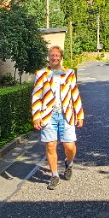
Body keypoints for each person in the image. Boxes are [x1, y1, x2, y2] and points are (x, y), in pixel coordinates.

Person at [31, 45, 85, 190]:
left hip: (66, 114)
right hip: (48, 115)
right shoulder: (41, 74)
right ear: (48, 57)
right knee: (50, 145)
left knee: (69, 146)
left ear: (61, 57)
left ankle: (69, 163)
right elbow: (36, 96)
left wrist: (80, 115)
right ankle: (54, 175)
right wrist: (36, 116)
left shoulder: (69, 73)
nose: (54, 58)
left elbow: (75, 94)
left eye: (57, 55)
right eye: (52, 55)